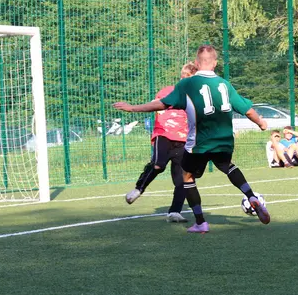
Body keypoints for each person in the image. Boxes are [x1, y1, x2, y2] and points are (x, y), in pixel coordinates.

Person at [114, 44, 270, 233]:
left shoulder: (187, 84)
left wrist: (132, 107)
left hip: (199, 143)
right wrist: (261, 123)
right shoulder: (224, 85)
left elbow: (161, 104)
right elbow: (248, 110)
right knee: (228, 166)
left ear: (197, 63)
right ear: (215, 63)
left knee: (186, 176)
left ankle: (200, 222)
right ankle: (251, 195)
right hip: (224, 140)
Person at [125, 62, 198, 223]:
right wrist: (133, 108)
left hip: (183, 141)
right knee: (158, 164)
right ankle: (139, 188)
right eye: (186, 79)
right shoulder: (168, 91)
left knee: (183, 178)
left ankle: (174, 212)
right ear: (182, 78)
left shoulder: (195, 97)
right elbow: (155, 104)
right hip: (163, 135)